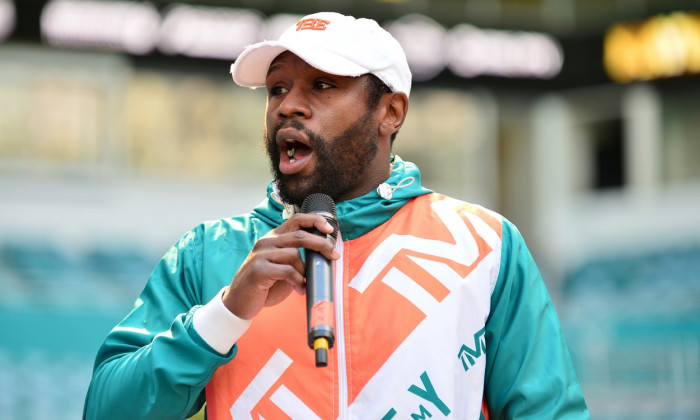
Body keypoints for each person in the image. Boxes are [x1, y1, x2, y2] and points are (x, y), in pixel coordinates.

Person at [83, 11, 589, 420]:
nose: (288, 107)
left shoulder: (485, 245)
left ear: (390, 112)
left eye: (322, 86)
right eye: (277, 89)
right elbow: (106, 409)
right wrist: (225, 313)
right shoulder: (209, 254)